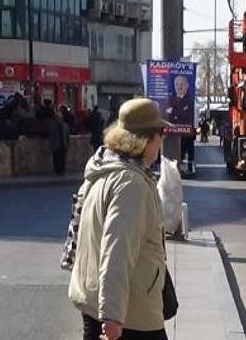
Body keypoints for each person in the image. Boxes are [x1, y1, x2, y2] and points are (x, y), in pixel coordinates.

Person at [68, 98, 170, 340]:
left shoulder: (103, 168)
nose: (162, 140)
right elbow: (117, 250)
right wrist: (113, 316)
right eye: (160, 133)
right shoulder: (130, 183)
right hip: (130, 314)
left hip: (97, 300)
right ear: (146, 139)